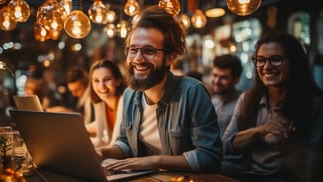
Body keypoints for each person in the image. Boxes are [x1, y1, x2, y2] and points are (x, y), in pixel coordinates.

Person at [96, 5, 222, 173]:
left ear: (170, 57)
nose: (138, 59)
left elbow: (210, 157)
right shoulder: (129, 95)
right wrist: (101, 152)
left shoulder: (192, 92)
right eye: (133, 50)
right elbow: (125, 143)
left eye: (149, 51)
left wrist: (154, 161)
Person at [222, 32, 323, 181]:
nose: (267, 67)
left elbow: (313, 167)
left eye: (276, 59)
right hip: (248, 174)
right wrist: (261, 130)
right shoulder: (248, 99)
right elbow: (225, 145)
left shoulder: (315, 103)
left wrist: (289, 144)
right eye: (260, 60)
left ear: (294, 62)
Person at [86, 59, 127, 147]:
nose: (102, 86)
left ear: (118, 81)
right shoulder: (101, 104)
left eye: (107, 79)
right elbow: (102, 140)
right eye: (96, 81)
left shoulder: (124, 101)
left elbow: (115, 144)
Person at [210, 54, 243, 137]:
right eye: (214, 75)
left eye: (223, 77)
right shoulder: (211, 101)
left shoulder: (243, 104)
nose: (217, 81)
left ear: (236, 80)